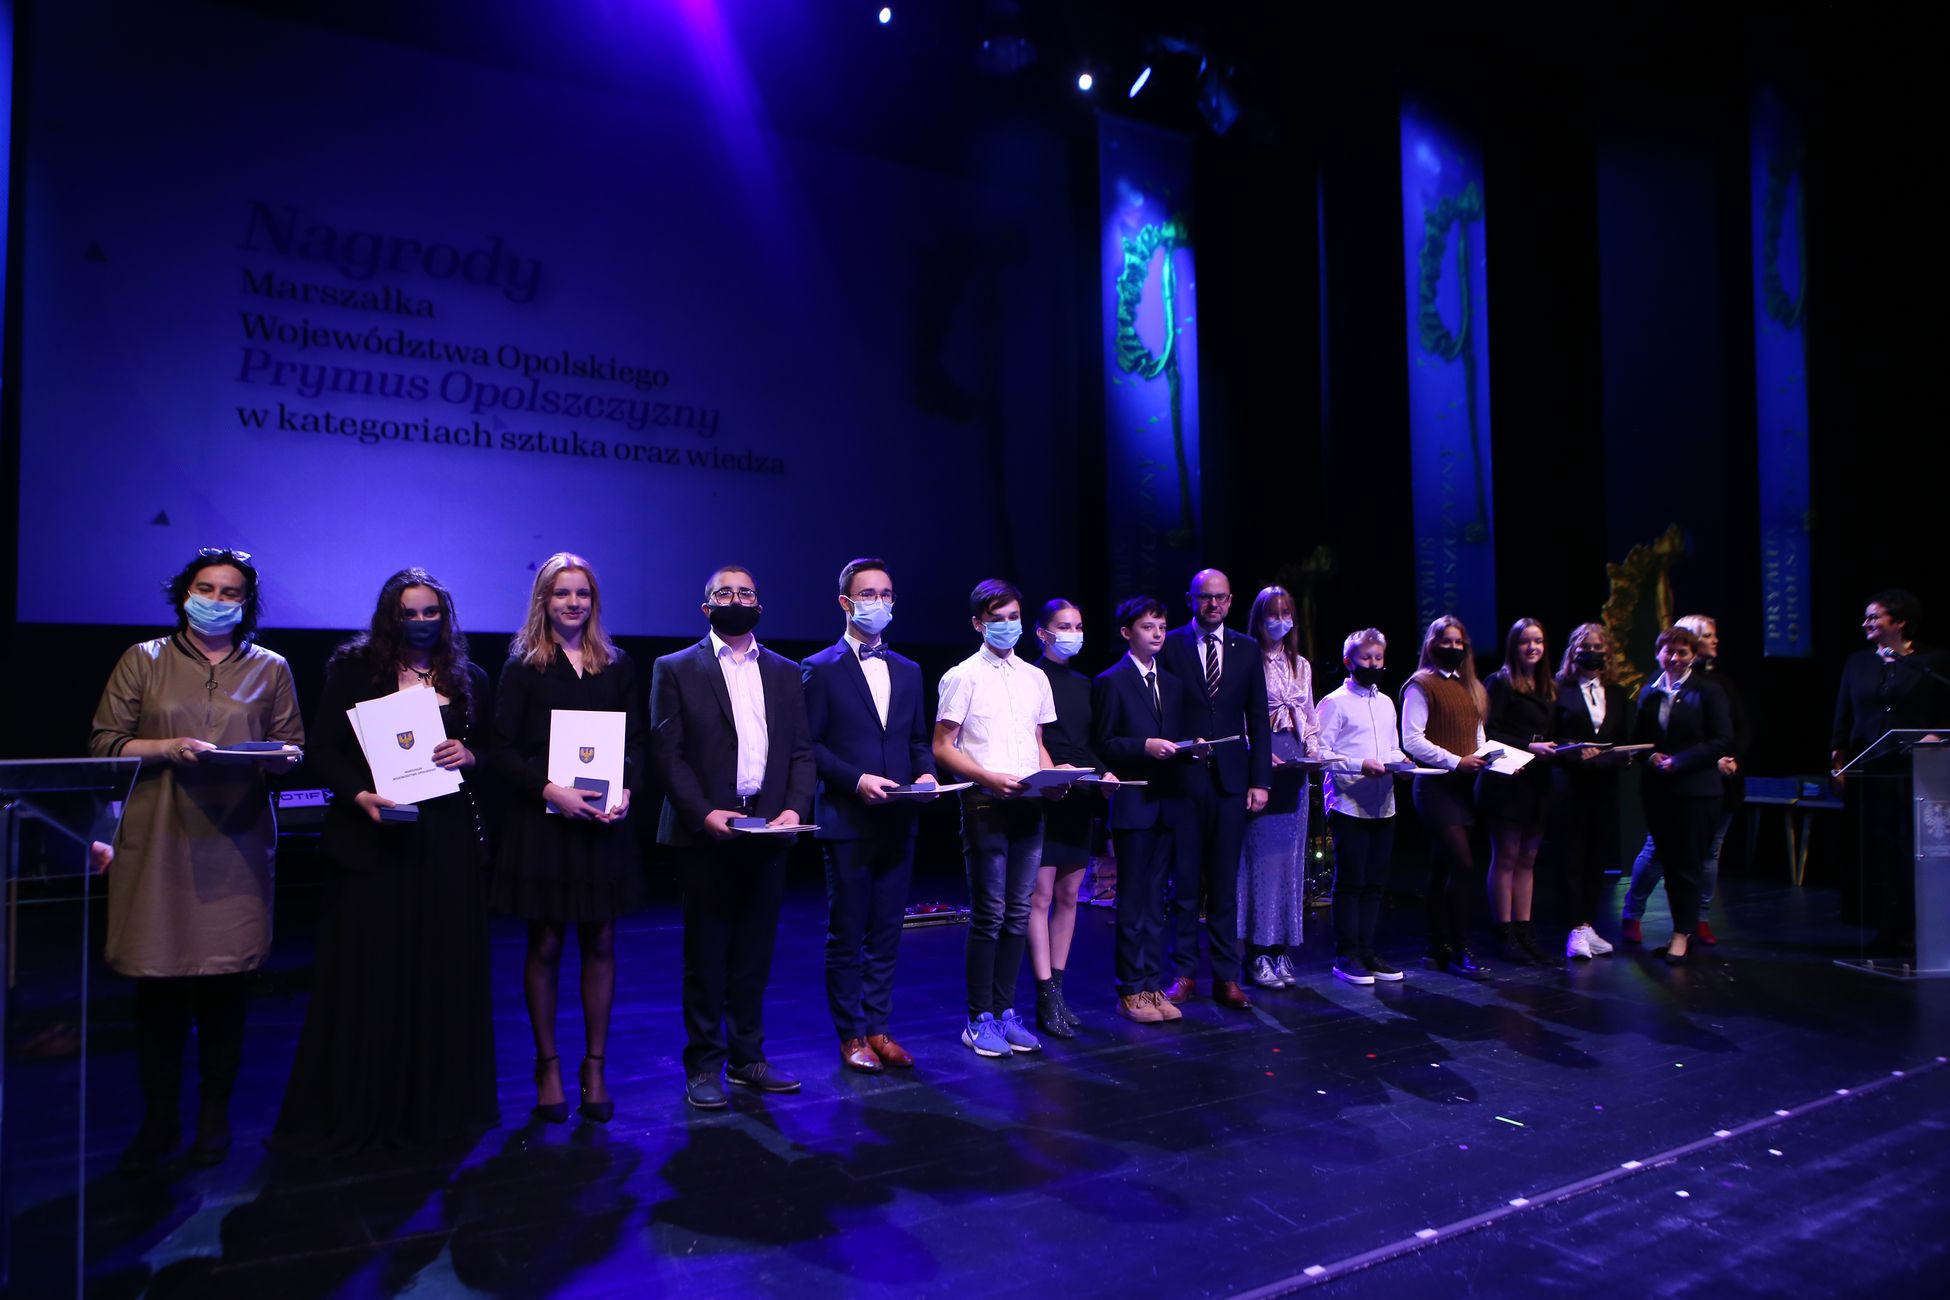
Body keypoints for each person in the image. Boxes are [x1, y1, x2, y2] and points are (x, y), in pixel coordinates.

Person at [88, 548, 304, 1172]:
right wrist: (166, 746)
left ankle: (214, 1117)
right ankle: (158, 1119)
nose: (216, 600)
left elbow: (290, 745)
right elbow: (104, 743)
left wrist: (281, 758)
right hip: (158, 839)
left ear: (247, 603)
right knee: (159, 989)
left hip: (234, 844)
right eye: (206, 588)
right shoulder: (143, 658)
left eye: (230, 592)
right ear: (184, 594)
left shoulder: (271, 667)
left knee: (223, 988)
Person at [275, 568, 497, 1154]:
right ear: (390, 616)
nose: (421, 621)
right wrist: (360, 795)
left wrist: (471, 755)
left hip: (444, 844)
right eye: (409, 612)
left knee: (440, 973)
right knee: (371, 974)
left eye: (431, 612)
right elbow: (323, 750)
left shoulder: (469, 676)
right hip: (372, 839)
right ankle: (363, 1104)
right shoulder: (355, 670)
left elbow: (492, 750)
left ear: (445, 617)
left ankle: (436, 1106)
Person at [653, 564, 816, 1108]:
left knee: (754, 954)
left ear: (759, 605)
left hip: (766, 830)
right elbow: (668, 754)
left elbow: (800, 751)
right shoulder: (676, 668)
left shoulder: (785, 671)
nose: (737, 599)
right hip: (707, 834)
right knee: (706, 954)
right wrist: (703, 814)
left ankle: (748, 1058)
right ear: (706, 608)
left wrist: (793, 808)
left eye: (746, 592)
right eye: (725, 593)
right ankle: (704, 1065)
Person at [491, 553, 645, 1124]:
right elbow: (502, 750)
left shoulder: (618, 665)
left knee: (601, 941)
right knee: (547, 944)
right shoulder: (523, 667)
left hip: (602, 828)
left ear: (593, 601)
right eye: (562, 593)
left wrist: (626, 787)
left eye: (582, 593)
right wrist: (551, 790)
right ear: (544, 601)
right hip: (545, 825)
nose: (573, 602)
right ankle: (548, 1067)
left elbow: (637, 743)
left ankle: (595, 1068)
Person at [801, 558, 936, 1073]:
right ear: (846, 603)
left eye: (886, 593)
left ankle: (879, 1028)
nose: (878, 602)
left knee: (887, 931)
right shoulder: (820, 668)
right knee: (848, 932)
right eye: (868, 594)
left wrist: (926, 776)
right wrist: (855, 780)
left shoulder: (908, 670)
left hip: (898, 820)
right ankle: (851, 1034)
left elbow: (918, 740)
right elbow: (809, 746)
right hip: (848, 820)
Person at [934, 579, 1060, 1058]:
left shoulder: (1035, 678)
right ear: (978, 623)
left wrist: (1055, 776)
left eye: (1013, 617)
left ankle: (1006, 1013)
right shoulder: (962, 676)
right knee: (989, 914)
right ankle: (978, 1019)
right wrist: (987, 777)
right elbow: (943, 746)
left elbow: (1036, 743)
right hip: (985, 804)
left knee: (1019, 912)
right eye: (997, 618)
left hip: (1029, 805)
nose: (1007, 625)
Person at [1156, 569, 1271, 1010]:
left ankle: (1226, 976)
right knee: (1185, 884)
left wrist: (1260, 780)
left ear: (1231, 600)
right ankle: (1184, 972)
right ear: (1190, 599)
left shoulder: (1246, 648)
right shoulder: (1171, 645)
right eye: (1205, 597)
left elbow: (1257, 718)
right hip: (1185, 779)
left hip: (1231, 782)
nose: (1213, 604)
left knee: (1224, 884)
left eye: (1220, 597)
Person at [1092, 597, 1195, 1023]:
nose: (1156, 634)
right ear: (1126, 632)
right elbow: (1104, 743)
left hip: (1167, 803)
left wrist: (1190, 748)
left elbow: (1177, 735)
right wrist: (1144, 747)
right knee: (1133, 901)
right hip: (1134, 804)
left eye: (1162, 627)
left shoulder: (1171, 683)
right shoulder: (1111, 681)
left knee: (1156, 902)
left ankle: (1153, 985)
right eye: (1148, 627)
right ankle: (1130, 989)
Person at [1829, 590, 1950, 951]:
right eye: (1866, 617)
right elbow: (1843, 713)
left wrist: (1933, 736)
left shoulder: (1932, 661)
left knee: (1909, 847)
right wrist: (1837, 761)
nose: (1866, 623)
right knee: (1876, 849)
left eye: (1875, 617)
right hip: (1868, 768)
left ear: (1899, 622)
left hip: (1917, 770)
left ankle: (1917, 925)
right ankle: (1884, 927)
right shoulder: (1857, 662)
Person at [1621, 614, 1746, 946]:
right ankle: (1635, 914)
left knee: (1697, 860)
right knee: (1660, 854)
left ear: (1691, 654)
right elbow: (1641, 738)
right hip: (1662, 790)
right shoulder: (1650, 691)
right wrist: (1651, 756)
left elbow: (1727, 736)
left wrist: (1683, 761)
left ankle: (1688, 928)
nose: (1675, 658)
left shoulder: (1711, 688)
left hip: (1700, 789)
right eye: (1669, 651)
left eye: (1682, 652)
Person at [1028, 598, 1108, 1038]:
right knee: (1040, 896)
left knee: (1070, 894)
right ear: (1043, 632)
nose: (1073, 633)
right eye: (1064, 626)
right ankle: (1044, 994)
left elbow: (1088, 742)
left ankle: (1059, 989)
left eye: (1078, 625)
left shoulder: (1084, 684)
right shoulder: (1030, 677)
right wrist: (1051, 772)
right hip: (1046, 793)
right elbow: (1032, 737)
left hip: (1079, 795)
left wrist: (1104, 772)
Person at [1315, 628, 1408, 985]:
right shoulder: (1335, 702)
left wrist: (1403, 763)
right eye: (1366, 658)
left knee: (1375, 882)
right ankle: (1347, 954)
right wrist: (1359, 764)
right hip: (1348, 804)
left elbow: (1392, 746)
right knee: (1351, 880)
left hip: (1384, 804)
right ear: (1348, 661)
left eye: (1378, 658)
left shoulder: (1386, 703)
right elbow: (1320, 754)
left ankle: (1368, 950)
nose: (1373, 664)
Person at [1401, 616, 1491, 979]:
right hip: (1436, 787)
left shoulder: (1471, 687)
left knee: (1442, 868)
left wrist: (1492, 761)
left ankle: (1435, 948)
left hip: (1464, 789)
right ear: (1432, 644)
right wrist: (1457, 761)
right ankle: (1459, 949)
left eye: (1458, 642)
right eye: (1446, 641)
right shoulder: (1421, 685)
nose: (1453, 647)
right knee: (1463, 865)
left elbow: (1478, 736)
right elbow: (1412, 740)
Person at [1239, 586, 1319, 990]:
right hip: (1262, 759)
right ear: (1259, 618)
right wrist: (1255, 752)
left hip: (1295, 761)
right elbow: (1237, 716)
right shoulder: (1246, 658)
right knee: (1261, 861)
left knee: (1291, 861)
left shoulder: (1299, 664)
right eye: (1273, 613)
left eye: (1287, 613)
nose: (1281, 621)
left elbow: (1308, 714)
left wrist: (1316, 750)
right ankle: (1257, 950)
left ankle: (1282, 947)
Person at [1477, 619, 1562, 965]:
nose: (1533, 647)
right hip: (1508, 781)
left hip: (1537, 782)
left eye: (1538, 641)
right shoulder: (1499, 682)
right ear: (1514, 646)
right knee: (1507, 856)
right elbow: (1487, 732)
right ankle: (1504, 932)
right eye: (1526, 641)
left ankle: (1525, 931)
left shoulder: (1548, 686)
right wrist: (1528, 746)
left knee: (1528, 858)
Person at [1549, 623, 1629, 960]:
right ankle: (1574, 928)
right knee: (1571, 857)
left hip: (1604, 784)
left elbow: (1623, 737)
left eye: (1599, 648)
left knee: (1597, 858)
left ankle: (1588, 924)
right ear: (1573, 651)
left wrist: (1620, 756)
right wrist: (1574, 750)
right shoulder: (1558, 688)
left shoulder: (1618, 692)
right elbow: (1550, 735)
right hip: (1570, 784)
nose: (1592, 653)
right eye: (1586, 647)